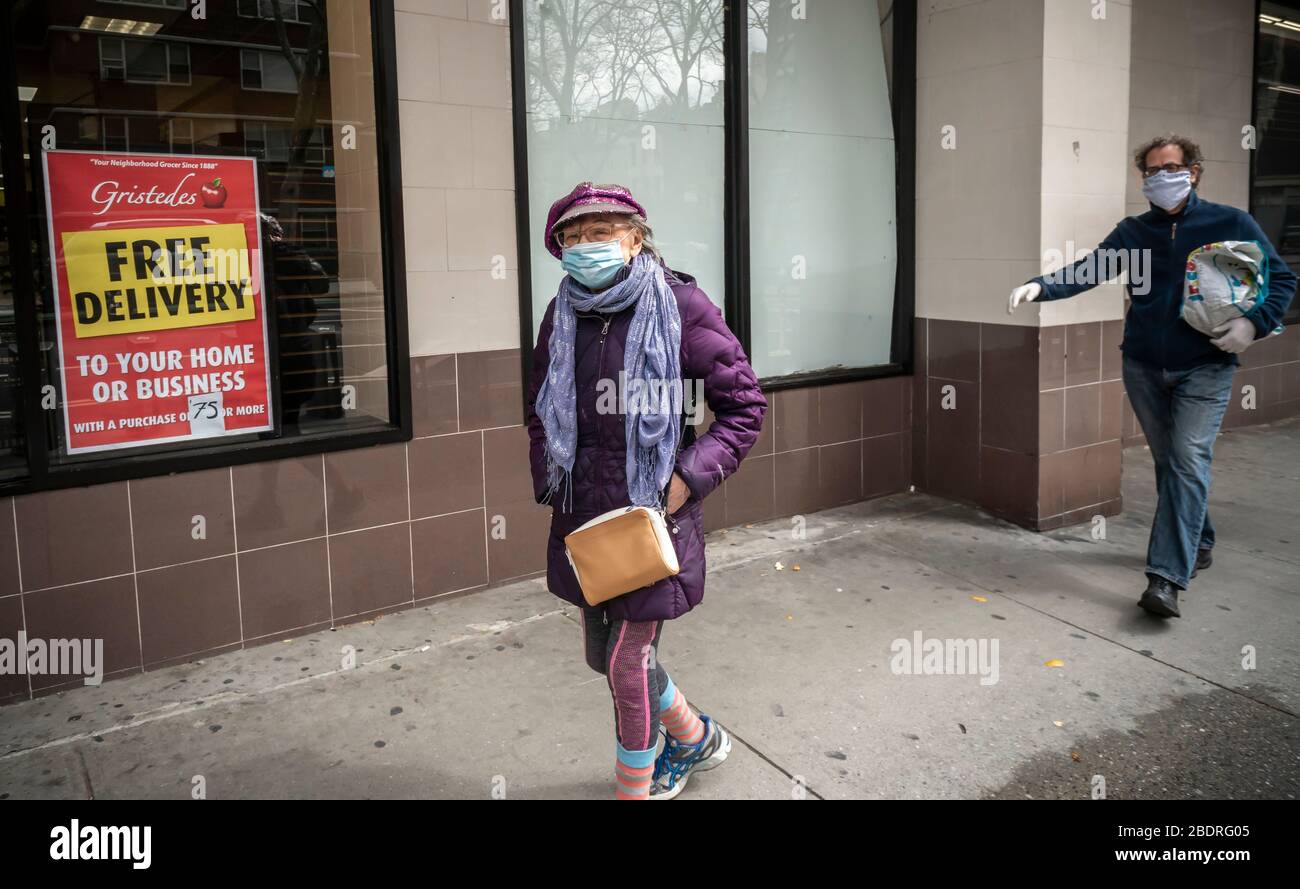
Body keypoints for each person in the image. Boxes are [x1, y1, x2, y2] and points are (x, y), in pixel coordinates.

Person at [526, 182, 767, 798]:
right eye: (574, 236)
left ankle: (637, 779)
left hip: (652, 513)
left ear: (635, 237)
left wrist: (688, 478)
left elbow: (743, 406)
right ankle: (695, 737)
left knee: (626, 663)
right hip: (584, 515)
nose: (587, 245)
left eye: (601, 232)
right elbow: (539, 410)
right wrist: (551, 480)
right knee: (599, 655)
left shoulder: (681, 305)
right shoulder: (562, 314)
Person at [1008, 135, 1295, 618]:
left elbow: (1283, 279)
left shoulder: (1230, 223)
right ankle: (1198, 539)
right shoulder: (1135, 230)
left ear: (1194, 171)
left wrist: (1253, 324)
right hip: (1142, 365)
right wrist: (1041, 285)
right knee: (1172, 463)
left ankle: (1165, 578)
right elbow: (1089, 269)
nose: (1161, 178)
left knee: (1186, 460)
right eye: (1151, 172)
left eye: (1171, 168)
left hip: (1206, 365)